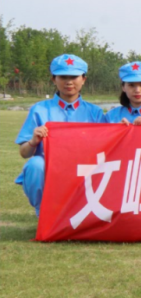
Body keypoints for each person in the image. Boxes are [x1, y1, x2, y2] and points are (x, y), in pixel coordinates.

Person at [15, 54, 107, 215]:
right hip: (51, 169)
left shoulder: (95, 113)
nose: (69, 82)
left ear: (83, 79)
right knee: (35, 165)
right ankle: (44, 214)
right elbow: (24, 153)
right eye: (63, 77)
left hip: (85, 171)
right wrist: (33, 141)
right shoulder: (39, 110)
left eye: (74, 77)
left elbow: (108, 147)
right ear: (53, 79)